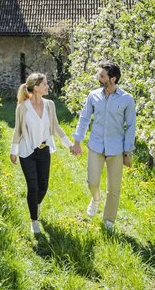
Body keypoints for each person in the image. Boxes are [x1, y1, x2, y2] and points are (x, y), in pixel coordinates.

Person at [70, 61, 136, 231]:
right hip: (96, 145)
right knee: (92, 181)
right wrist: (77, 141)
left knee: (114, 187)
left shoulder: (127, 99)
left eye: (102, 75)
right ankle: (96, 198)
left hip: (116, 149)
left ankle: (109, 220)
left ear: (112, 79)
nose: (98, 77)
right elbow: (84, 119)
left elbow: (130, 126)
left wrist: (127, 152)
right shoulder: (93, 96)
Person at [11, 73, 72, 234]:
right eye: (45, 84)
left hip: (44, 150)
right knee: (32, 186)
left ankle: (36, 204)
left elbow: (56, 127)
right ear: (36, 87)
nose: (48, 86)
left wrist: (69, 145)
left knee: (43, 186)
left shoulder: (49, 105)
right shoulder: (22, 107)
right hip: (27, 151)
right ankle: (34, 220)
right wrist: (13, 151)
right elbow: (17, 130)